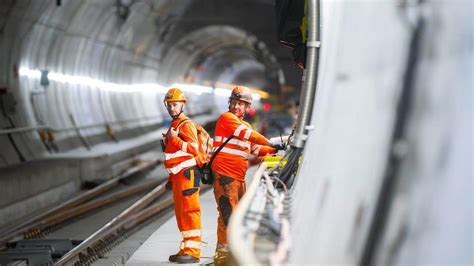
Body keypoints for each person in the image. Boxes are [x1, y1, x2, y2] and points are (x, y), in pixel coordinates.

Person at [211, 86, 286, 263]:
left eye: (241, 104)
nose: (237, 107)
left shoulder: (243, 124)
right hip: (225, 174)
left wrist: (278, 147)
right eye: (235, 103)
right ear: (230, 103)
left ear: (247, 108)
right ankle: (222, 256)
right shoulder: (227, 118)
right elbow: (249, 135)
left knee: (237, 215)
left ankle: (227, 253)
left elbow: (255, 148)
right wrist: (272, 142)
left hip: (237, 176)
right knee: (228, 214)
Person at [162, 87, 205, 263]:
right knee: (181, 213)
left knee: (190, 211)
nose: (172, 108)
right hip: (179, 176)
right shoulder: (174, 125)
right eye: (169, 105)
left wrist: (175, 139)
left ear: (182, 105)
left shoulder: (185, 125)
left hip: (188, 175)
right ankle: (185, 247)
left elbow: (193, 149)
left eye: (175, 105)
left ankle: (193, 252)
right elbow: (173, 157)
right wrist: (171, 179)